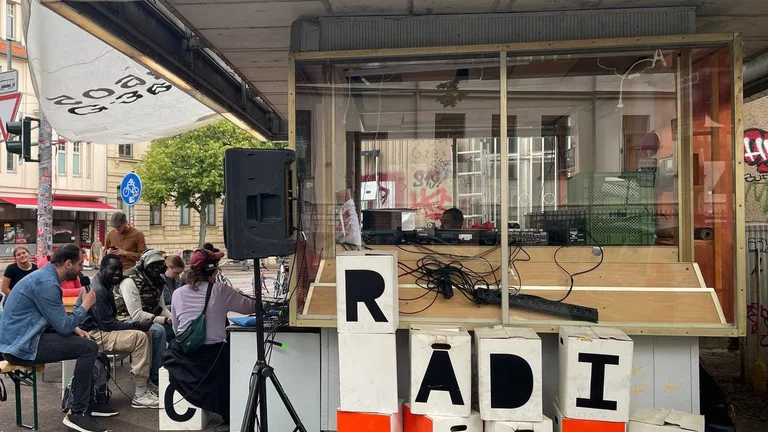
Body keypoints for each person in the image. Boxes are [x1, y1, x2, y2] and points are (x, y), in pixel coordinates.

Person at [0, 244, 117, 432]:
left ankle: (88, 401)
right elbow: (62, 327)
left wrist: (75, 327)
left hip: (26, 338)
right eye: (80, 264)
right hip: (21, 347)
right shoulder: (47, 283)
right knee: (88, 348)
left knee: (89, 343)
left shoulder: (45, 277)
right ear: (68, 264)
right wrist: (84, 306)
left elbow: (53, 315)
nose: (82, 269)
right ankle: (77, 413)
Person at [163, 249, 256, 427]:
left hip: (185, 357)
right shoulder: (220, 290)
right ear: (213, 270)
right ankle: (228, 412)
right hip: (213, 357)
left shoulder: (178, 293)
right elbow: (249, 306)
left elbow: (176, 327)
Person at [75, 254, 159, 409]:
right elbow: (107, 325)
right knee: (140, 337)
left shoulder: (104, 285)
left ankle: (144, 385)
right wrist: (135, 326)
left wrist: (135, 325)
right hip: (91, 335)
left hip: (99, 330)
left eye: (120, 270)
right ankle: (140, 395)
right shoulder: (98, 289)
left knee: (147, 333)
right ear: (102, 268)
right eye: (113, 269)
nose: (118, 273)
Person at [115, 249, 173, 385]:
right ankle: (155, 376)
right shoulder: (129, 280)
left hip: (147, 318)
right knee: (158, 331)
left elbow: (163, 308)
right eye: (151, 266)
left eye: (159, 266)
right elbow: (136, 315)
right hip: (125, 320)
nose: (155, 270)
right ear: (142, 266)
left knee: (177, 328)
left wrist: (174, 319)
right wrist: (165, 320)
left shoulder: (158, 281)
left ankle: (173, 368)